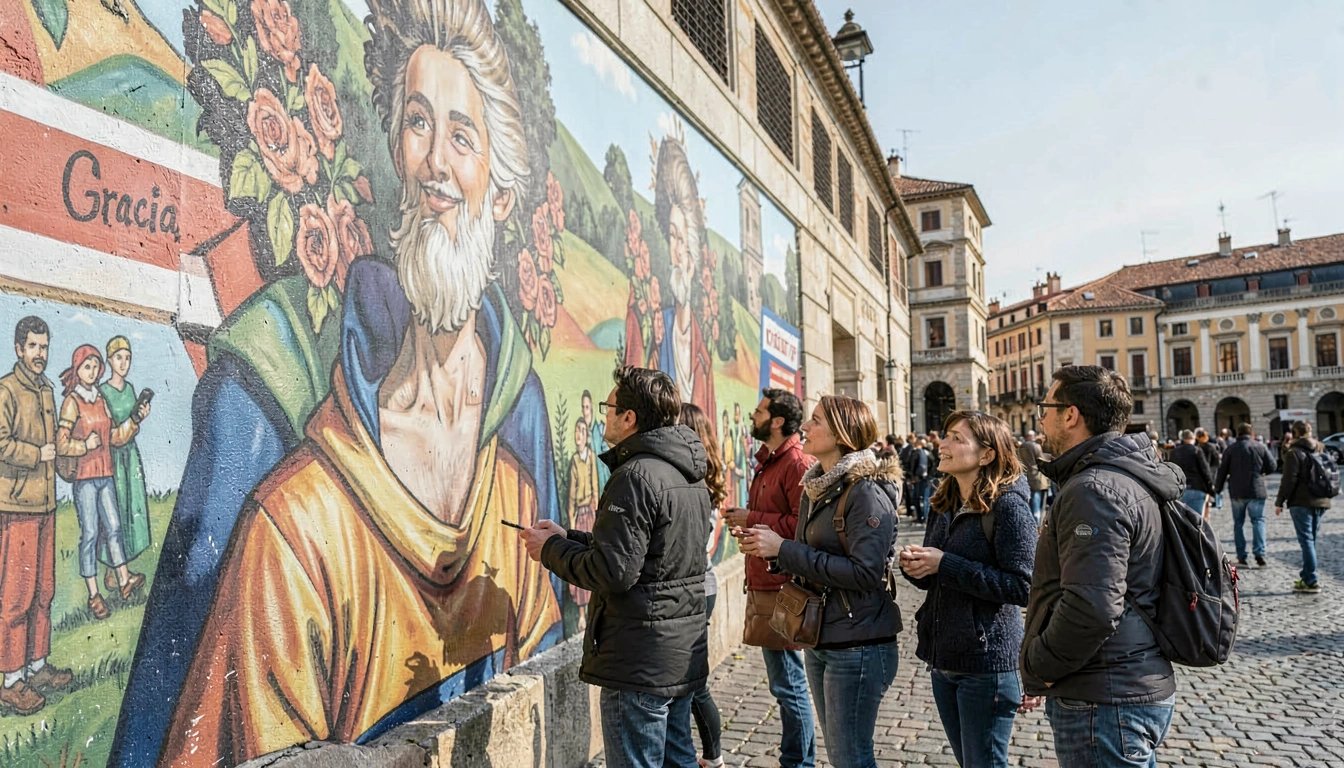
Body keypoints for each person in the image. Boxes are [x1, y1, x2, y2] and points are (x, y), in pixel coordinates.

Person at [142, 2, 566, 762]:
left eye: (462, 137)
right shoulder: (295, 529)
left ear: (501, 195)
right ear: (396, 154)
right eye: (417, 123)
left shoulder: (513, 473)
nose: (435, 163)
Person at [525, 366, 710, 768]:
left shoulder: (635, 476)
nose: (603, 416)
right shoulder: (687, 473)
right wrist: (568, 537)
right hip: (677, 652)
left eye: (608, 407)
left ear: (629, 417)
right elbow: (650, 555)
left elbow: (614, 572)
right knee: (678, 760)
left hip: (640, 661)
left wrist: (549, 550)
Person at [1023, 365, 1179, 767]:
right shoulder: (1126, 475)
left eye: (1045, 409)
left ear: (1070, 415)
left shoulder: (1094, 489)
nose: (1040, 420)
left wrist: (1040, 665)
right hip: (1126, 682)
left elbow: (1091, 607)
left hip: (1103, 694)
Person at [738, 396, 902, 768]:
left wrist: (784, 549)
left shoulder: (866, 493)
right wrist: (772, 551)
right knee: (842, 755)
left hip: (858, 643)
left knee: (851, 757)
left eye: (815, 420)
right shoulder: (817, 486)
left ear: (842, 434)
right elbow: (810, 555)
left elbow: (865, 574)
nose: (805, 427)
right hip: (821, 635)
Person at [901, 410, 1036, 768]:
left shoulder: (1008, 507)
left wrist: (945, 564)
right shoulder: (943, 501)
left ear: (987, 454)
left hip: (987, 663)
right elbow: (934, 578)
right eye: (945, 435)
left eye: (956, 438)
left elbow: (1024, 586)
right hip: (943, 657)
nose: (942, 444)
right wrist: (916, 567)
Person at [721, 389, 816, 768]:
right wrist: (748, 523)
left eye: (759, 412)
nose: (753, 416)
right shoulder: (769, 461)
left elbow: (803, 527)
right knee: (785, 684)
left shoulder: (796, 462)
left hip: (785, 589)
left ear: (777, 421)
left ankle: (798, 762)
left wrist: (753, 519)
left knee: (789, 684)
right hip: (766, 583)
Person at [0, 317, 73, 715]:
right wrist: (36, 454)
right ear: (19, 349)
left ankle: (37, 666)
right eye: (33, 346)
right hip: (17, 507)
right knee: (17, 597)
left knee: (44, 590)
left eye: (43, 347)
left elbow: (54, 447)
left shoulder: (47, 390)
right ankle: (12, 681)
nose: (39, 354)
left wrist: (65, 460)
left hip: (46, 505)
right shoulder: (7, 390)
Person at [623, 139, 716, 422]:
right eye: (672, 237)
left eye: (682, 240)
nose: (675, 250)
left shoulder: (701, 354)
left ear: (692, 260)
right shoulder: (658, 325)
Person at [55, 344, 147, 619]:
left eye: (96, 367)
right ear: (77, 370)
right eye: (87, 366)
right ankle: (94, 595)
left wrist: (134, 421)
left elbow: (114, 438)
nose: (92, 371)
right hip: (84, 478)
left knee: (114, 528)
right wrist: (84, 445)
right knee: (91, 534)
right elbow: (61, 444)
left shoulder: (100, 399)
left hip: (105, 475)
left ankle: (124, 580)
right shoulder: (72, 401)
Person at [679, 403, 726, 768]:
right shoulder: (703, 477)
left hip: (698, 588)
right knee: (688, 686)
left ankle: (713, 757)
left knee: (693, 686)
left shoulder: (696, 481)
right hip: (700, 587)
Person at [98, 335, 153, 584]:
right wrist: (134, 422)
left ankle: (118, 571)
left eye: (128, 358)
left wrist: (140, 416)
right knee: (114, 512)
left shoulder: (130, 389)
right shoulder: (103, 392)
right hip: (112, 459)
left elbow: (131, 425)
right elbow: (110, 434)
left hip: (130, 458)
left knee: (132, 509)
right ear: (109, 360)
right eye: (119, 357)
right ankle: (114, 571)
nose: (124, 363)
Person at [1275, 421, 1333, 593]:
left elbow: (1288, 480)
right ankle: (1307, 577)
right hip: (1322, 500)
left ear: (1294, 433)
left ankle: (1311, 580)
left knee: (1307, 541)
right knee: (1311, 540)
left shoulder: (1294, 452)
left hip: (1301, 502)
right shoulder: (1321, 448)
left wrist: (1279, 501)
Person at [1214, 423, 1276, 568]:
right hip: (1256, 489)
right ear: (1251, 433)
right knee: (1258, 521)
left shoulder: (1231, 449)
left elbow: (1222, 471)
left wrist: (1218, 489)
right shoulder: (1260, 446)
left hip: (1237, 490)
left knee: (1238, 523)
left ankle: (1242, 556)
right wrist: (1261, 472)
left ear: (1238, 433)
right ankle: (1260, 554)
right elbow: (1272, 465)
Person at [567, 417, 602, 621]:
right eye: (576, 431)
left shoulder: (590, 457)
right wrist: (571, 519)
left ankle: (591, 609)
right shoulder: (574, 460)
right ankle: (581, 614)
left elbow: (595, 487)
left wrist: (597, 515)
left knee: (592, 557)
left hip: (590, 512)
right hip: (580, 513)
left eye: (581, 431)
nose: (578, 435)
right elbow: (572, 494)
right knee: (580, 558)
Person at [1170, 429, 1214, 519]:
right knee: (1197, 519)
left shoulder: (1174, 452)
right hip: (1197, 487)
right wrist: (1211, 489)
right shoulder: (1196, 450)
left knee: (1183, 520)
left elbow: (1171, 471)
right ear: (1193, 438)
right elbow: (1205, 471)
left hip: (1180, 489)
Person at [1017, 429, 1050, 521]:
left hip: (1026, 477)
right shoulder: (1035, 446)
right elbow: (1042, 459)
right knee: (1039, 505)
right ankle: (1038, 523)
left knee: (1031, 504)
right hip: (1038, 477)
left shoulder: (1021, 447)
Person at [583, 390, 611, 488]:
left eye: (587, 407)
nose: (585, 411)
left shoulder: (600, 430)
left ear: (591, 409)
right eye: (583, 407)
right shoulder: (583, 433)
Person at [1195, 428, 1223, 509]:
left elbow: (1210, 460)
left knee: (1209, 485)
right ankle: (1215, 501)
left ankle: (1213, 501)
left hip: (1209, 469)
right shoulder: (1209, 446)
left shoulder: (1203, 447)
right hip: (1212, 468)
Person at [907, 437, 931, 522]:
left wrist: (915, 476)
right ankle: (922, 517)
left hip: (919, 479)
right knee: (921, 499)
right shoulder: (922, 452)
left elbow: (918, 466)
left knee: (918, 498)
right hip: (921, 478)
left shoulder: (918, 452)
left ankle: (921, 517)